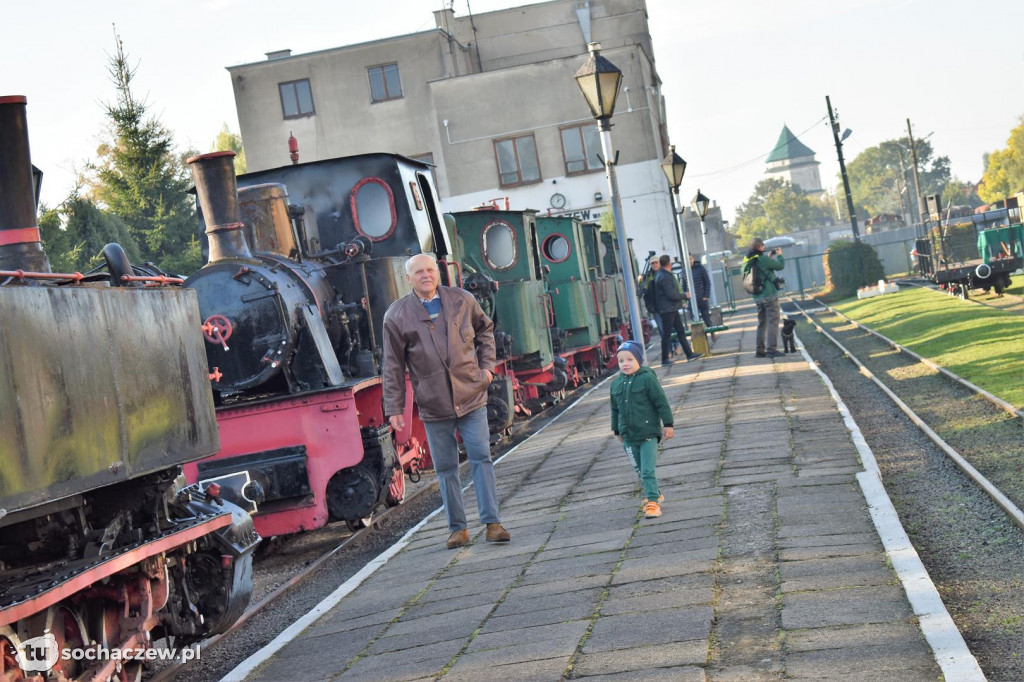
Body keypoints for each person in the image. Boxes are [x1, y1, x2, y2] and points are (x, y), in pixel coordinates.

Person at [382, 253, 511, 549]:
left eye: (430, 270)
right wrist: (394, 408)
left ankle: (492, 523)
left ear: (438, 273)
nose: (425, 275)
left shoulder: (462, 300)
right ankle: (458, 529)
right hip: (434, 405)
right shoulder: (396, 315)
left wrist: (488, 370)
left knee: (481, 457)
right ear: (408, 278)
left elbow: (485, 332)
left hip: (471, 395)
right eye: (419, 272)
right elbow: (391, 365)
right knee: (446, 469)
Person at [609, 340, 674, 519]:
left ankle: (652, 501)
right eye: (621, 361)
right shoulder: (615, 385)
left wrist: (668, 424)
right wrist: (617, 431)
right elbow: (614, 410)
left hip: (647, 434)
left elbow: (661, 402)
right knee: (639, 469)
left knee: (647, 470)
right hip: (628, 436)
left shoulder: (647, 378)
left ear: (639, 360)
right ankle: (656, 493)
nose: (625, 364)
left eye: (630, 359)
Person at [652, 254, 702, 364]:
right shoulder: (665, 276)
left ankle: (689, 354)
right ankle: (665, 359)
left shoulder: (661, 275)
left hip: (670, 309)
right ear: (669, 263)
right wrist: (684, 295)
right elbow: (670, 294)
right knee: (667, 334)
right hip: (668, 309)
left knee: (679, 332)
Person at [741, 238, 785, 358]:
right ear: (760, 247)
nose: (763, 248)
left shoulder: (747, 260)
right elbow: (780, 266)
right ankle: (771, 350)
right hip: (769, 294)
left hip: (757, 296)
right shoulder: (763, 258)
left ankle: (760, 351)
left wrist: (769, 257)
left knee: (762, 322)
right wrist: (780, 256)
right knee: (773, 321)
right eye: (762, 246)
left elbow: (759, 270)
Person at [688, 253, 714, 330]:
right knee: (695, 321)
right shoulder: (684, 271)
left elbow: (707, 282)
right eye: (687, 259)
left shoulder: (700, 268)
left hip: (702, 298)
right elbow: (683, 287)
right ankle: (702, 338)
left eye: (690, 259)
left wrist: (706, 296)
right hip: (692, 300)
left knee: (707, 319)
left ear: (693, 259)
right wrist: (686, 299)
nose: (689, 261)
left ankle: (712, 332)